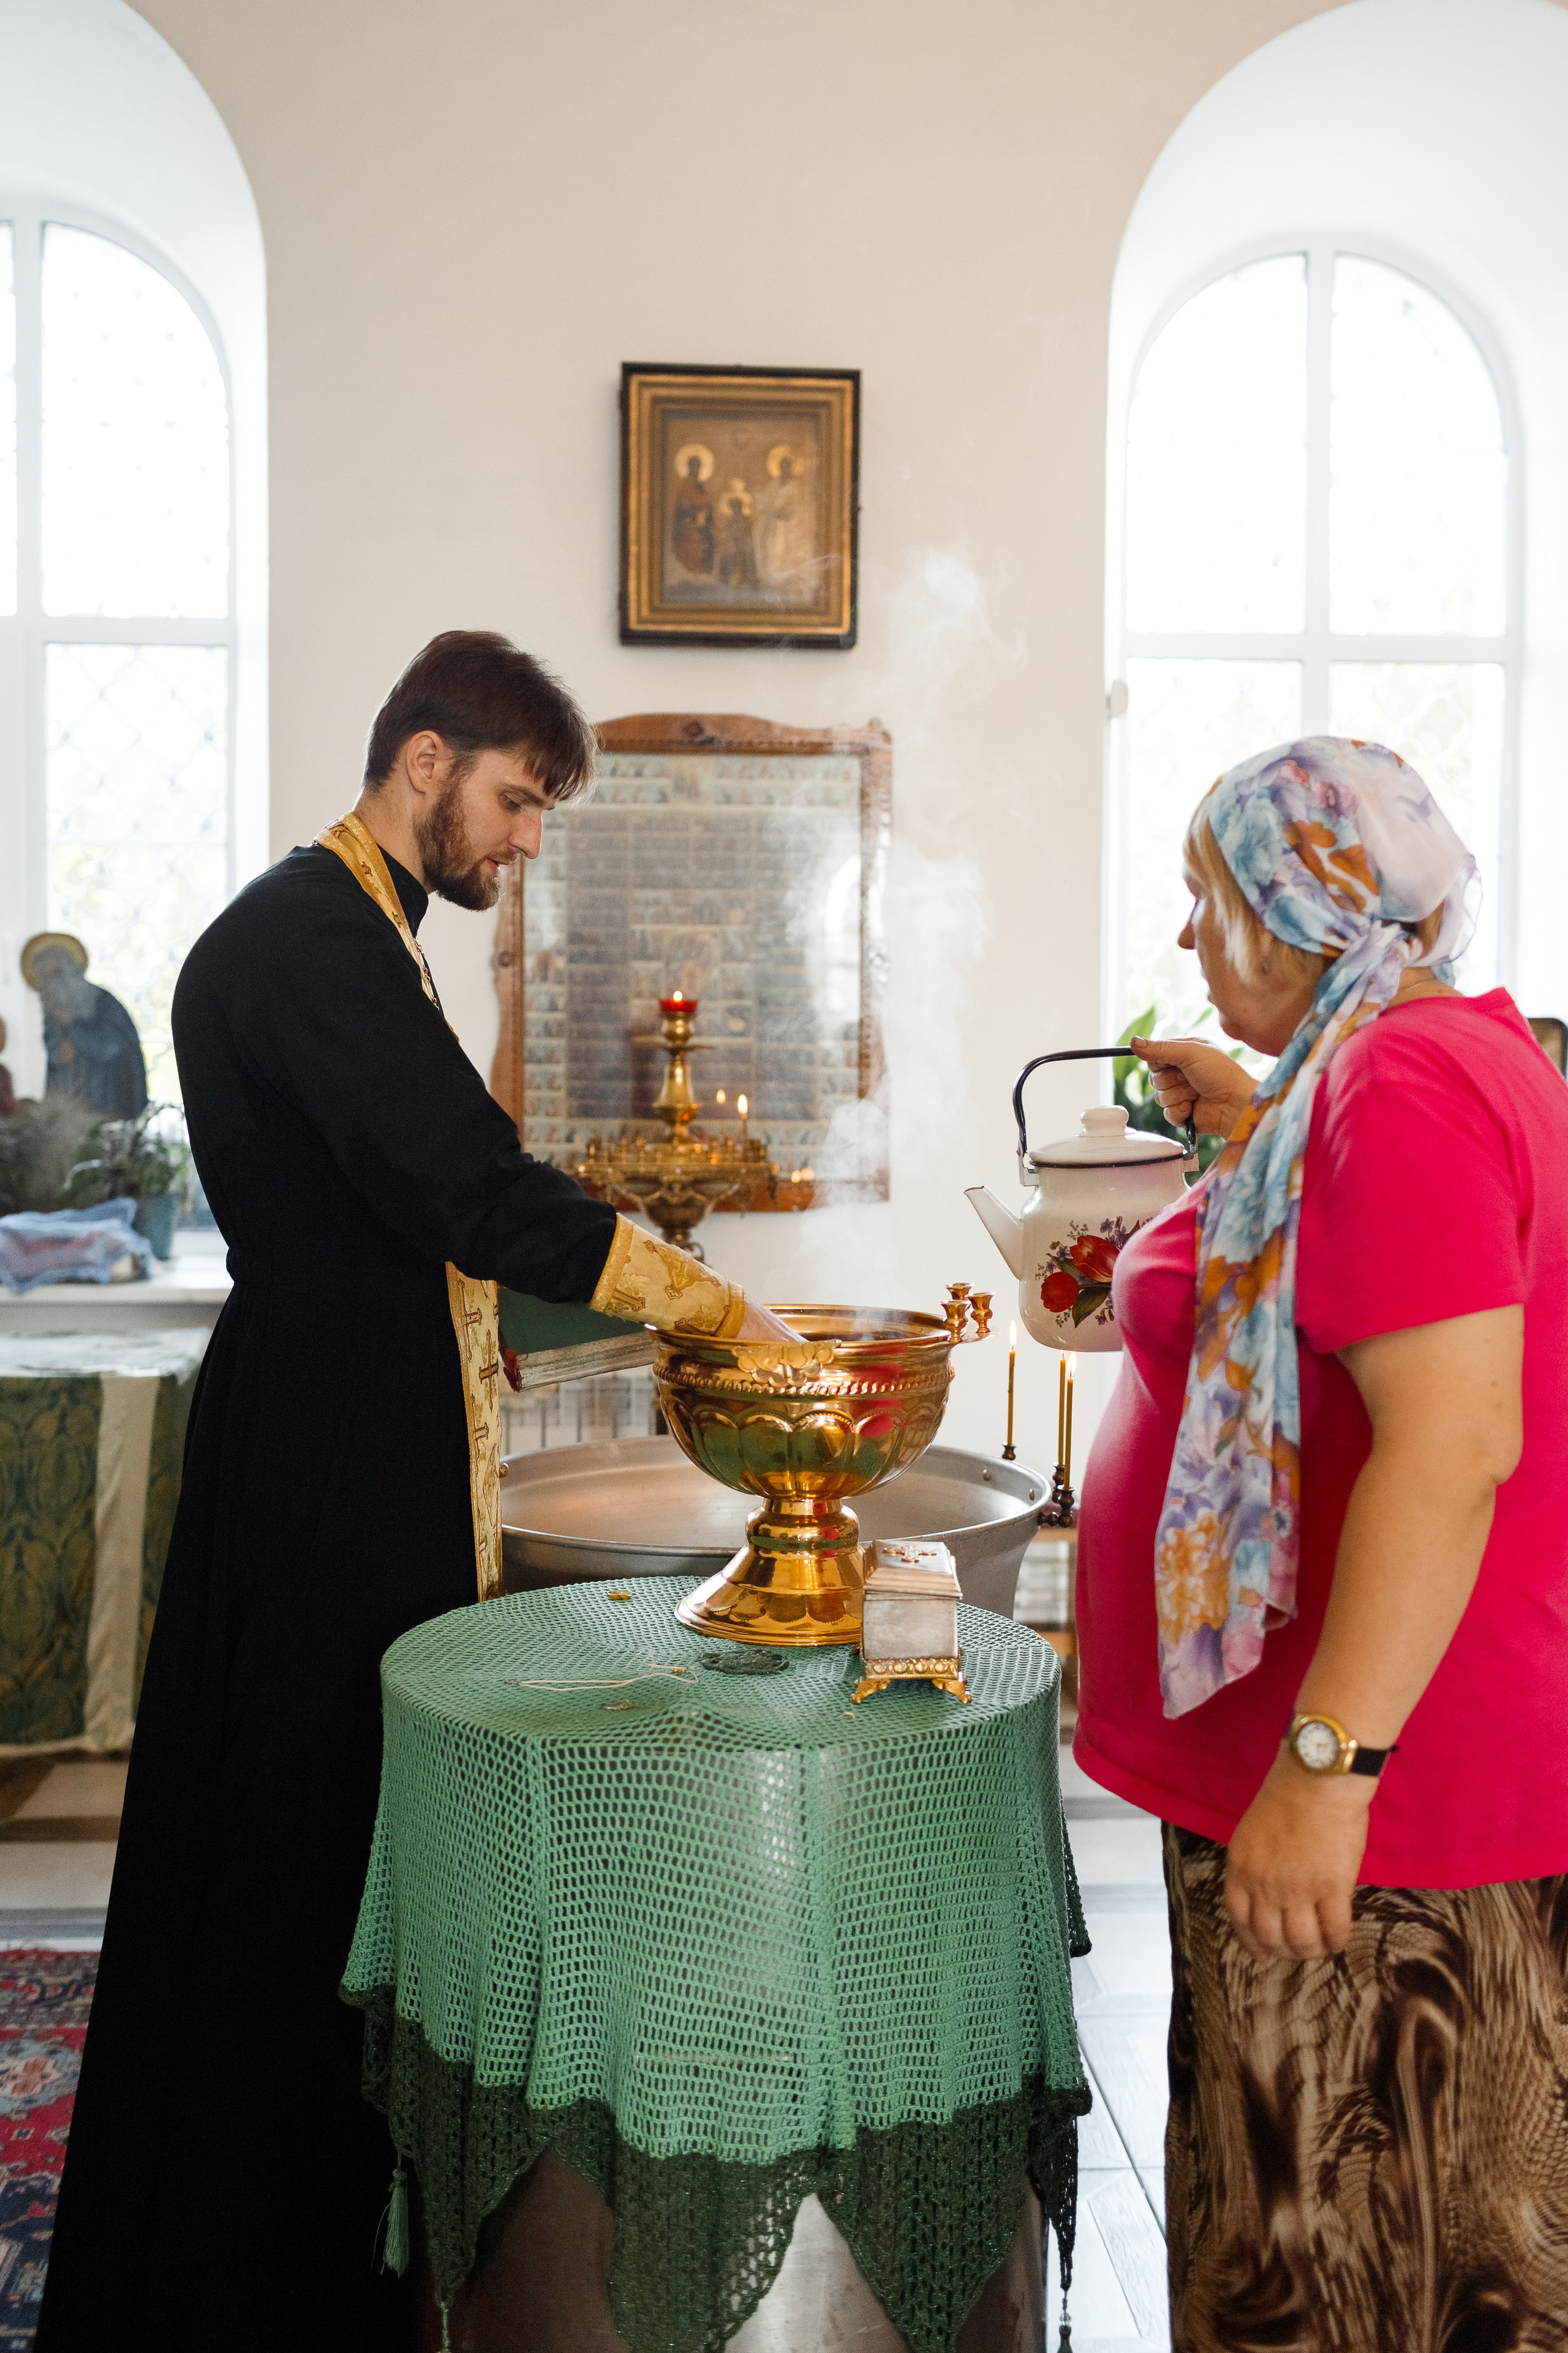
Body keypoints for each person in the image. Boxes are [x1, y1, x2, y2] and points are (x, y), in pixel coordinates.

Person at [36, 631, 796, 2353]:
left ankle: (324, 2236)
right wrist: (706, 1302)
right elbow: (467, 1189)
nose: (525, 842)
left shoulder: (361, 930)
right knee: (305, 1855)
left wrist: (543, 1315)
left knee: (332, 1840)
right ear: (426, 758)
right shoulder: (314, 937)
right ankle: (264, 2267)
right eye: (520, 801)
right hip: (325, 1457)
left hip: (348, 1419)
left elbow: (418, 1212)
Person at [1072, 737, 1568, 2351]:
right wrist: (1264, 1117)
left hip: (1375, 1829)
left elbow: (1449, 1447)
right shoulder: (1399, 1064)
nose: (1192, 946)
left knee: (1353, 2287)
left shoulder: (1400, 1085)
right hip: (1353, 1804)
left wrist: (1324, 1765)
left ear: (1298, 910)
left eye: (1210, 904)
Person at [21, 932, 148, 1116]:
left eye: (57, 972)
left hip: (110, 1100)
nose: (54, 983)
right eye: (45, 977)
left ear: (73, 969)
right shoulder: (52, 1011)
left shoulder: (104, 1003)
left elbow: (109, 1047)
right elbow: (53, 1049)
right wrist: (59, 1054)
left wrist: (72, 1024)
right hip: (72, 1103)